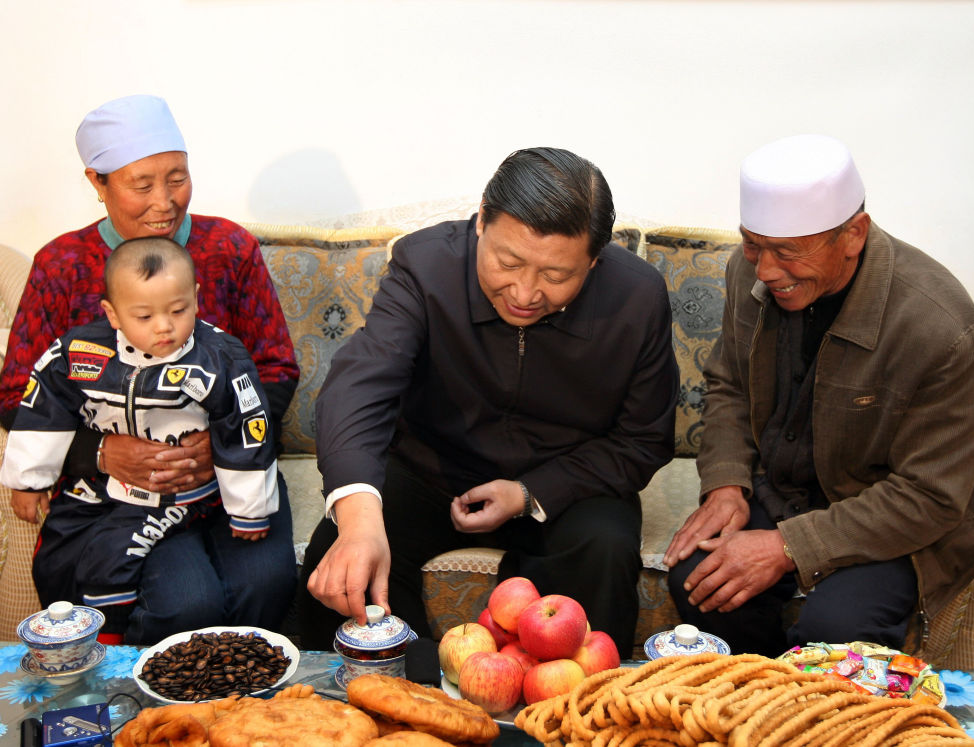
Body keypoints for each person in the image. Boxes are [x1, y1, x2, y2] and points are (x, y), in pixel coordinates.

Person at [297, 147, 679, 656]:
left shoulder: (637, 296)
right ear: (481, 220)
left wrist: (529, 492)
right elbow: (360, 384)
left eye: (556, 276)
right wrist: (359, 519)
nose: (524, 293)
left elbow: (643, 439)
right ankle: (399, 690)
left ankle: (573, 700)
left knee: (604, 550)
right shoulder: (425, 265)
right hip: (431, 469)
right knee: (340, 548)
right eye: (508, 262)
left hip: (569, 481)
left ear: (594, 259)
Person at [663, 134, 974, 657]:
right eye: (753, 244)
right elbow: (729, 384)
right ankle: (758, 695)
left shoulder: (944, 329)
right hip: (782, 488)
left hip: (890, 516)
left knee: (838, 628)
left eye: (787, 252)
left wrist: (788, 545)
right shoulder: (746, 272)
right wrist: (726, 483)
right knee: (700, 580)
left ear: (853, 234)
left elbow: (929, 496)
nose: (764, 270)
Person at [0, 94, 299, 644]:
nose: (165, 202)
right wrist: (99, 452)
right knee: (187, 602)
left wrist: (221, 443)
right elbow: (18, 393)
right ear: (97, 182)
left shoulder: (229, 247)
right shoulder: (61, 265)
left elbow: (276, 366)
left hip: (235, 467)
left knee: (266, 583)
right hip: (120, 491)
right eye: (142, 185)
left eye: (177, 178)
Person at [1, 237, 281, 637]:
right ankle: (83, 641)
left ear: (196, 298)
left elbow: (249, 429)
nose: (164, 326)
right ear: (112, 314)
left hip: (187, 492)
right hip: (104, 486)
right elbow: (42, 407)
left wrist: (249, 509)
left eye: (178, 310)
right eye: (144, 316)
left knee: (119, 559)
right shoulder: (79, 352)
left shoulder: (218, 358)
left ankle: (111, 642)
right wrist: (28, 480)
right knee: (60, 559)